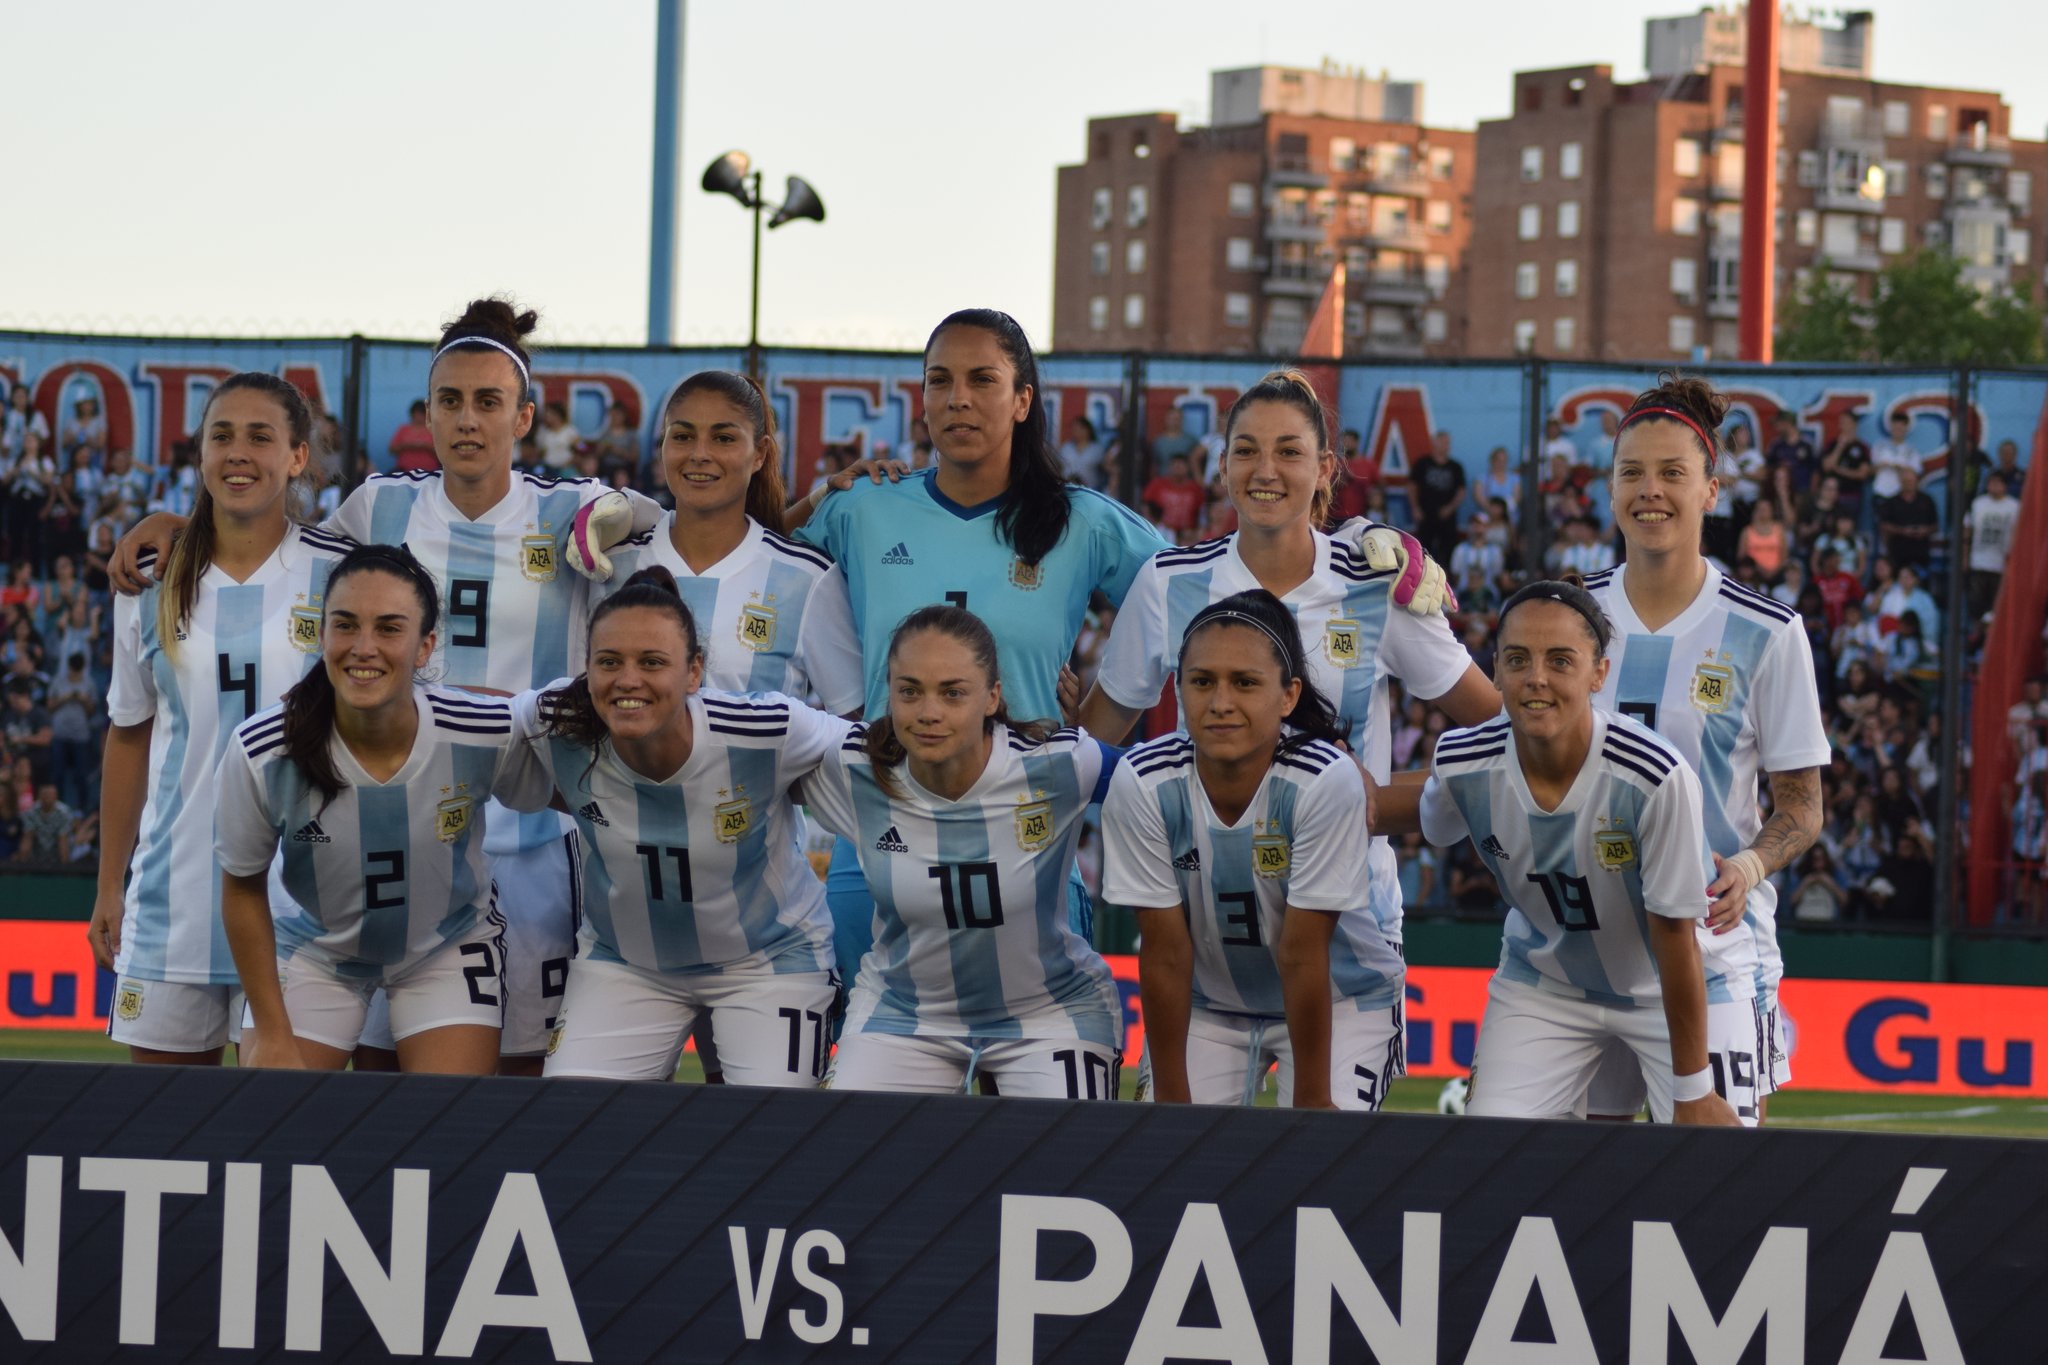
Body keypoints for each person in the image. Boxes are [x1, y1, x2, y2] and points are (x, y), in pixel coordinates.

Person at [112, 299, 663, 1074]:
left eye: (488, 401)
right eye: (450, 401)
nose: (467, 419)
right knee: (378, 1079)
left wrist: (623, 508)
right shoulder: (381, 505)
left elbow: (677, 531)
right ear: (427, 414)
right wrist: (179, 522)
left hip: (531, 838)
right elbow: (272, 543)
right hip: (399, 834)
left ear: (523, 417)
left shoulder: (571, 509)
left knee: (514, 1082)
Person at [791, 308, 1170, 988]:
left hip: (1025, 839)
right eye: (940, 380)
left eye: (982, 379)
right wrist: (817, 496)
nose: (957, 398)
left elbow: (1194, 598)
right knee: (860, 1048)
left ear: (1023, 400)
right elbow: (748, 559)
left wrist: (1091, 732)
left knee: (1027, 1047)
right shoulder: (864, 507)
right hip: (882, 830)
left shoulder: (1082, 520)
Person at [1079, 370, 1490, 965]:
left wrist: (1383, 803)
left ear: (1325, 468)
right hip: (1206, 931)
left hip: (1353, 932)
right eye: (1246, 451)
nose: (1265, 470)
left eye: (1289, 452)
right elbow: (1089, 745)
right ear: (1223, 466)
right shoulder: (1168, 582)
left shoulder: (1380, 586)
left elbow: (1502, 733)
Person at [1581, 373, 1829, 1122]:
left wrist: (1748, 867)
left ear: (1711, 491)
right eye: (1632, 472)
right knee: (1560, 1176)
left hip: (1716, 945)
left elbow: (1803, 807)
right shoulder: (1568, 614)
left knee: (1715, 1177)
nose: (1650, 491)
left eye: (1672, 473)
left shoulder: (1768, 631)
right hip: (1584, 948)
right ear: (1611, 488)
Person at [89, 372, 354, 1065]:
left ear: (297, 456)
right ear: (200, 454)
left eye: (260, 436)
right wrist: (109, 884)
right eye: (222, 436)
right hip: (172, 898)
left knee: (278, 1124)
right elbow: (128, 734)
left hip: (302, 906)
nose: (238, 452)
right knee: (161, 1124)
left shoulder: (342, 576)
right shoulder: (147, 580)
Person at [1419, 580, 1743, 1126]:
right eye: (1517, 659)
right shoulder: (1458, 762)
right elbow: (1420, 815)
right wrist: (1346, 786)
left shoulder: (1653, 776)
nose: (1536, 677)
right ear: (1494, 670)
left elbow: (1675, 938)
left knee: (1714, 1163)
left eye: (1560, 660)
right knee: (1487, 1154)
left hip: (1674, 984)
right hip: (1547, 985)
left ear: (1599, 674)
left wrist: (1692, 1092)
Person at [216, 545, 538, 1072]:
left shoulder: (482, 730)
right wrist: (272, 1032)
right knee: (274, 1109)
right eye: (345, 625)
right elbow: (241, 887)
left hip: (445, 946)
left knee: (451, 1119)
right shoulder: (264, 749)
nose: (363, 648)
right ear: (321, 634)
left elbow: (580, 791)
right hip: (315, 951)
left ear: (425, 646)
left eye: (389, 628)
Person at [512, 568, 841, 1084]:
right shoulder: (555, 720)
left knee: (774, 1126)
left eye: (652, 662)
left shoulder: (764, 729)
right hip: (625, 963)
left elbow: (872, 753)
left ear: (694, 672)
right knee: (571, 1120)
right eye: (609, 661)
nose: (628, 679)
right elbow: (465, 727)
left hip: (768, 962)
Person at [798, 605, 1124, 1096]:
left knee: (1066, 1148)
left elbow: (1163, 785)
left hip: (1051, 1013)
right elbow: (749, 767)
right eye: (909, 691)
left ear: (993, 696)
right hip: (901, 1013)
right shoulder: (854, 770)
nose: (929, 712)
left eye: (952, 693)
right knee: (849, 1142)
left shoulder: (1058, 764)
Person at [1101, 591, 1404, 1109]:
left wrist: (1313, 1102)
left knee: (1317, 1151)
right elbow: (1165, 953)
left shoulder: (1324, 780)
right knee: (1170, 1148)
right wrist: (1171, 1101)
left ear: (1288, 696)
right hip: (1207, 1004)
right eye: (1202, 682)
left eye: (1244, 682)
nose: (1221, 702)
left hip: (1341, 997)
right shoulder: (1144, 780)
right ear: (1178, 689)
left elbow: (1302, 954)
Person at [602, 371, 862, 709]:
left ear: (760, 454)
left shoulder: (808, 579)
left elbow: (852, 718)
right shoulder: (610, 566)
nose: (699, 453)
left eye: (723, 438)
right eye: (682, 436)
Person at [1965, 469, 2019, 621]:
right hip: (1979, 563)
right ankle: (1976, 632)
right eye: (1991, 482)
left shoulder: (2014, 506)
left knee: (1997, 606)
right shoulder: (1978, 504)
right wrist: (1965, 557)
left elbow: (2018, 535)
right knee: (1976, 605)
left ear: (2005, 485)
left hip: (2001, 565)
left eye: (1997, 482)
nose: (1994, 486)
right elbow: (1967, 530)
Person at [1409, 428, 1467, 564]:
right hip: (1425, 514)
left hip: (1447, 516)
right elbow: (1412, 487)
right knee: (1423, 550)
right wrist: (1415, 508)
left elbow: (1461, 491)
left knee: (1448, 551)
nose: (1445, 445)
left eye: (1447, 442)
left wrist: (1450, 508)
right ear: (1434, 443)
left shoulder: (1455, 467)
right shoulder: (1422, 463)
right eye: (1442, 442)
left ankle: (1446, 575)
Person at [1875, 465, 1938, 575]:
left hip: (1921, 553)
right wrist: (1902, 531)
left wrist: (1924, 531)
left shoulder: (1927, 501)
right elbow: (1884, 526)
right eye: (1906, 481)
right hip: (1898, 553)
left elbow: (1935, 525)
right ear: (1900, 482)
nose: (1909, 484)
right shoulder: (1892, 502)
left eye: (1911, 481)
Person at [1141, 451, 1207, 546]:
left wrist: (1196, 531)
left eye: (1180, 465)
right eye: (1174, 465)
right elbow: (1146, 507)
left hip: (1188, 534)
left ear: (1188, 468)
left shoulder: (1195, 489)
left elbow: (1203, 513)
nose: (1177, 468)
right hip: (1161, 531)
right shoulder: (1157, 485)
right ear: (1169, 467)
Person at [1818, 411, 1872, 521]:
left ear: (1854, 424)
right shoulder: (1832, 444)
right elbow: (1827, 467)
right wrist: (1840, 447)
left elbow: (1862, 474)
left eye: (1846, 422)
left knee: (1847, 525)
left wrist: (1838, 469)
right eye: (1841, 422)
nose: (1843, 425)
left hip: (1851, 495)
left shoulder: (1862, 447)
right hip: (1830, 497)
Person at [1869, 411, 1922, 503]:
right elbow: (1870, 471)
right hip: (1881, 492)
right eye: (1895, 426)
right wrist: (1881, 466)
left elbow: (1915, 473)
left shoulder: (1912, 451)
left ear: (1906, 428)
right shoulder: (1879, 447)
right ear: (1890, 427)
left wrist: (1898, 467)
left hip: (1901, 496)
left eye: (1901, 427)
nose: (1898, 429)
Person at [388, 399, 438, 472]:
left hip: (429, 471)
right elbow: (391, 450)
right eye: (416, 414)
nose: (419, 417)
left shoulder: (433, 429)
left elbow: (442, 454)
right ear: (411, 414)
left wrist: (426, 446)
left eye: (421, 414)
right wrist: (406, 445)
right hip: (404, 471)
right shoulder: (403, 429)